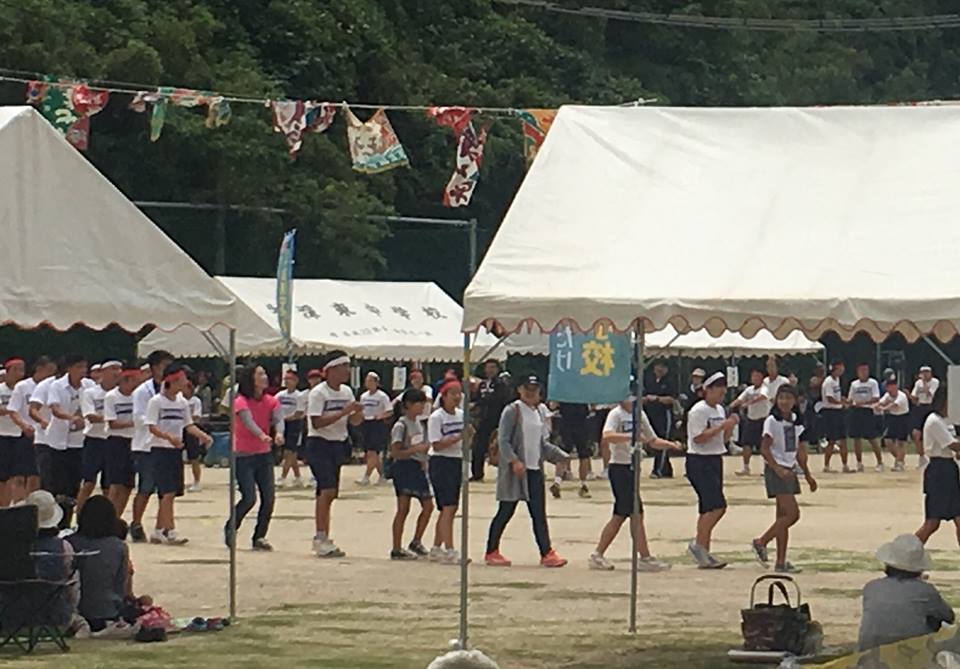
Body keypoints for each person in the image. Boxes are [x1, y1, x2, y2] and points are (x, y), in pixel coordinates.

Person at [484, 375, 570, 568]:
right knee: (506, 510)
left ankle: (546, 552)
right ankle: (491, 550)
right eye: (527, 388)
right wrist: (514, 461)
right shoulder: (512, 410)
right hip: (515, 472)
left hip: (534, 469)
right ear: (519, 390)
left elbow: (540, 443)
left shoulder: (538, 411)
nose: (531, 392)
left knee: (539, 514)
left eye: (535, 388)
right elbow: (503, 440)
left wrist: (560, 455)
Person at [588, 396, 682, 571]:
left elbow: (652, 440)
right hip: (619, 467)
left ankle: (633, 555)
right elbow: (607, 436)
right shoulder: (616, 414)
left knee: (630, 513)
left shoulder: (640, 415)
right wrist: (630, 436)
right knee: (629, 513)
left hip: (633, 468)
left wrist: (670, 445)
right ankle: (634, 556)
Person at [750, 385, 817, 574]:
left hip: (789, 469)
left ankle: (781, 561)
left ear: (795, 401)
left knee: (782, 518)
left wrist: (808, 475)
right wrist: (777, 468)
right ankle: (761, 541)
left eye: (788, 398)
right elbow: (765, 449)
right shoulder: (772, 421)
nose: (784, 402)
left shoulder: (796, 421)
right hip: (777, 471)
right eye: (781, 398)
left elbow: (799, 451)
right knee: (792, 514)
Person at [143, 363, 213, 545]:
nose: (186, 382)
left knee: (171, 492)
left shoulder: (182, 402)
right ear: (172, 380)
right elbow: (152, 426)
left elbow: (188, 425)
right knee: (167, 492)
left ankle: (158, 530)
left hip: (175, 451)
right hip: (160, 450)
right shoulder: (156, 402)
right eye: (182, 379)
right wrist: (168, 437)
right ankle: (171, 531)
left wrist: (203, 436)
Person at [306, 351, 364, 558]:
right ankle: (320, 536)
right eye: (343, 367)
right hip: (319, 443)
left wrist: (357, 413)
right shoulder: (318, 393)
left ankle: (323, 536)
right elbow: (316, 422)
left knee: (329, 493)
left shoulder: (347, 391)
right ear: (331, 370)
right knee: (327, 490)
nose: (347, 371)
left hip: (338, 443)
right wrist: (343, 412)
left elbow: (354, 421)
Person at [858, 534, 954, 651]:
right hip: (911, 650)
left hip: (870, 649)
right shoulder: (926, 591)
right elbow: (948, 616)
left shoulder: (872, 587)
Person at [226, 364, 282, 551]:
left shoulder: (271, 400)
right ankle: (231, 527)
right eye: (260, 374)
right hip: (243, 455)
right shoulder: (240, 401)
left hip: (264, 455)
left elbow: (278, 418)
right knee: (249, 497)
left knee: (269, 497)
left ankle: (259, 536)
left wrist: (279, 433)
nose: (265, 377)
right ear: (251, 379)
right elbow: (247, 421)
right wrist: (261, 435)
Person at [686, 371, 738, 569]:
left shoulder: (719, 410)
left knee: (707, 507)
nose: (721, 395)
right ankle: (698, 544)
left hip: (715, 457)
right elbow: (698, 438)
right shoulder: (698, 411)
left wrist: (729, 427)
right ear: (707, 390)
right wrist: (721, 427)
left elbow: (722, 439)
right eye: (718, 390)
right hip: (699, 460)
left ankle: (704, 551)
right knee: (718, 506)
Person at [67, 495, 131, 631]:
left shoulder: (70, 543)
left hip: (75, 611)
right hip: (108, 611)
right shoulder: (119, 546)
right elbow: (121, 585)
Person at [129, 350, 174, 543]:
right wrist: (156, 422)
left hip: (166, 444)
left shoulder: (171, 389)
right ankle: (136, 523)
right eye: (165, 366)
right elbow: (138, 417)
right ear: (154, 367)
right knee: (146, 486)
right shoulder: (142, 391)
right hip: (146, 445)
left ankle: (163, 527)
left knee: (167, 489)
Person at [388, 388, 435, 559]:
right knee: (403, 508)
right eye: (419, 403)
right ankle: (396, 547)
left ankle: (416, 540)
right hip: (404, 467)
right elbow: (395, 452)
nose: (422, 407)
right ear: (408, 404)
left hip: (418, 467)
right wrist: (415, 450)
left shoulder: (419, 424)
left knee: (428, 506)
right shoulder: (401, 425)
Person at [428, 379, 467, 564]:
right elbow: (436, 444)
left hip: (456, 459)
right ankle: (449, 548)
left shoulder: (461, 415)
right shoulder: (437, 417)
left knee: (450, 507)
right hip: (441, 461)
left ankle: (437, 547)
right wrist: (458, 437)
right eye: (453, 394)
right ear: (443, 396)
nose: (457, 397)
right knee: (448, 506)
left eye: (459, 393)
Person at [915, 387, 960, 547]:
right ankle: (906, 554)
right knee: (932, 523)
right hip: (938, 471)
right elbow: (952, 445)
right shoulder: (934, 421)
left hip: (949, 467)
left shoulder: (946, 421)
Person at [7, 356, 56, 498]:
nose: (52, 375)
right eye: (49, 370)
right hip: (25, 435)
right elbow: (13, 410)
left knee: (37, 476)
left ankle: (34, 504)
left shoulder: (52, 387)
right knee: (20, 475)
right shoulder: (23, 387)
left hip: (44, 436)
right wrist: (23, 425)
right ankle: (19, 503)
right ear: (39, 369)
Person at [77, 360, 121, 515]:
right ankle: (80, 516)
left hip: (112, 440)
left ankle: (106, 518)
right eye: (113, 369)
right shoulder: (90, 393)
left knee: (109, 486)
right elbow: (90, 416)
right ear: (103, 372)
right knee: (88, 483)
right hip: (94, 440)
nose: (117, 372)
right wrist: (111, 419)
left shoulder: (120, 394)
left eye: (119, 369)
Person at [46, 354, 89, 502]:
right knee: (58, 483)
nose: (83, 370)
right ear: (69, 368)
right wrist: (72, 418)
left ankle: (70, 511)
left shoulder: (89, 386)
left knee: (75, 482)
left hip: (79, 441)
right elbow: (55, 408)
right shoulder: (57, 386)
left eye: (84, 367)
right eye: (79, 367)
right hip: (58, 442)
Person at [103, 364, 139, 515]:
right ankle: (109, 516)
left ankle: (117, 516)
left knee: (128, 485)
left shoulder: (137, 396)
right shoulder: (111, 396)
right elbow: (112, 423)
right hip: (116, 441)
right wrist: (134, 423)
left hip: (133, 441)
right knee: (115, 484)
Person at [471, 359, 508, 482]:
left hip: (498, 419)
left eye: (493, 367)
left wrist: (482, 402)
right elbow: (477, 398)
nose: (490, 370)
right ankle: (477, 473)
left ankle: (503, 473)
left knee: (499, 447)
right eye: (488, 367)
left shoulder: (501, 384)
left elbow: (500, 398)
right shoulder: (482, 385)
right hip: (483, 420)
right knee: (478, 446)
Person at [0, 358, 29, 505]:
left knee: (20, 475)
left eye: (22, 370)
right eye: (16, 369)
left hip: (21, 435)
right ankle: (4, 506)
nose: (20, 373)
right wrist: (13, 410)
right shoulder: (1, 389)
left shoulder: (24, 389)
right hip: (3, 435)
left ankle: (19, 506)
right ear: (8, 371)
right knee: (3, 476)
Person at [729, 368, 768, 477]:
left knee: (764, 445)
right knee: (746, 444)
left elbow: (763, 397)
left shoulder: (765, 388)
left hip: (763, 420)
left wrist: (749, 403)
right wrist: (732, 405)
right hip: (751, 419)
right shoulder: (749, 390)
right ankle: (746, 467)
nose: (754, 378)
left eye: (756, 376)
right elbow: (740, 399)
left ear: (761, 377)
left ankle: (766, 467)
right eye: (753, 376)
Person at [357, 372, 392, 486]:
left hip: (377, 424)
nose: (368, 383)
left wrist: (380, 416)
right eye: (367, 381)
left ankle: (366, 477)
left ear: (377, 382)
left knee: (372, 451)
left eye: (371, 381)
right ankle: (382, 476)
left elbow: (389, 410)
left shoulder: (382, 396)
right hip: (366, 423)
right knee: (371, 453)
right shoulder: (363, 396)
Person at [643, 359, 676, 479]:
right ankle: (666, 469)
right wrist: (646, 399)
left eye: (662, 367)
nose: (659, 369)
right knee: (654, 440)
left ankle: (658, 469)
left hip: (664, 414)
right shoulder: (649, 381)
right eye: (657, 367)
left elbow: (672, 399)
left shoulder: (669, 381)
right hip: (651, 414)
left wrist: (657, 398)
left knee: (663, 440)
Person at [848, 362, 883, 473]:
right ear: (858, 372)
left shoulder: (873, 383)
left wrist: (863, 402)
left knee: (872, 437)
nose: (864, 372)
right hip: (856, 411)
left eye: (866, 370)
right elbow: (850, 398)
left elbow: (876, 398)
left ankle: (880, 462)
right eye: (861, 370)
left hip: (867, 411)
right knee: (856, 438)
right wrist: (848, 402)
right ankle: (859, 463)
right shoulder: (854, 384)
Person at [276, 369, 307, 489]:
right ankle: (298, 477)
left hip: (295, 425)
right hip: (282, 424)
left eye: (290, 379)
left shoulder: (299, 396)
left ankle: (283, 477)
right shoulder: (280, 395)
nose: (287, 381)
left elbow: (300, 413)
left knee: (289, 452)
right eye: (285, 379)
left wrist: (287, 418)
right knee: (291, 452)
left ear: (296, 381)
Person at [556, 402, 592, 499]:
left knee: (563, 453)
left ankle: (557, 482)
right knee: (584, 455)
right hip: (581, 421)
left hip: (567, 421)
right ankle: (583, 484)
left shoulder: (563, 393)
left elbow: (553, 405)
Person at [821, 359, 851, 473]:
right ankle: (826, 465)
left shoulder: (837, 380)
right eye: (840, 367)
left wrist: (843, 400)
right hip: (830, 412)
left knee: (843, 439)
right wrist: (841, 403)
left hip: (838, 411)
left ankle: (845, 465)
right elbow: (829, 398)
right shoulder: (828, 382)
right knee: (832, 440)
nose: (842, 370)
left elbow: (837, 395)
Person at [875, 377, 909, 472]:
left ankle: (899, 463)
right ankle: (899, 459)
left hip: (903, 418)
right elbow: (881, 402)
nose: (889, 389)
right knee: (888, 441)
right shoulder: (887, 395)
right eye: (887, 387)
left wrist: (883, 408)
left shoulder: (901, 396)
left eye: (891, 386)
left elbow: (894, 405)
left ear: (895, 386)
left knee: (900, 442)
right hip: (893, 418)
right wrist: (877, 406)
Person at [910, 365, 939, 469]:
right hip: (920, 408)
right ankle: (922, 457)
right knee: (916, 434)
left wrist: (924, 383)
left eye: (927, 372)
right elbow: (913, 396)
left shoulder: (934, 382)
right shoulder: (918, 383)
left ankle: (932, 456)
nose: (925, 374)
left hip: (930, 407)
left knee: (931, 433)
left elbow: (929, 394)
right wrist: (914, 400)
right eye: (923, 372)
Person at [182, 376, 205, 493]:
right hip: (179, 429)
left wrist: (186, 418)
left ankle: (197, 481)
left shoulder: (195, 401)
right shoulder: (179, 400)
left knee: (194, 457)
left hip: (191, 429)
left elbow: (196, 417)